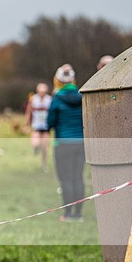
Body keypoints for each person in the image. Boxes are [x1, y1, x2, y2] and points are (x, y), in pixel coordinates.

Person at [46, 64, 85, 222]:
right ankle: (78, 214)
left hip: (63, 143)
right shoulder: (83, 96)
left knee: (66, 179)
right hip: (81, 143)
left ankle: (67, 214)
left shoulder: (56, 99)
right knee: (78, 177)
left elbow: (49, 122)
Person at [25, 82, 51, 171]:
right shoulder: (33, 99)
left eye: (43, 91)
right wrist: (26, 124)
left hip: (46, 126)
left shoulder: (49, 100)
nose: (42, 93)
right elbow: (28, 112)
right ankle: (36, 148)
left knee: (45, 147)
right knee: (36, 143)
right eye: (40, 91)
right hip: (36, 125)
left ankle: (44, 164)